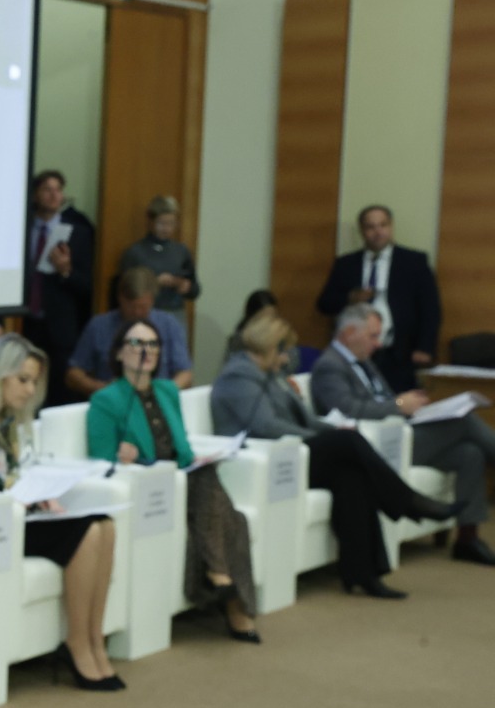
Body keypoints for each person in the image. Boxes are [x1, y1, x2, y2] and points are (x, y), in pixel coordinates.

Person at [210, 311, 460, 600]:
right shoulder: (238, 377)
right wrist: (321, 438)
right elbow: (267, 426)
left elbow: (306, 417)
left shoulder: (271, 374)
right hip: (269, 461)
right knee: (347, 444)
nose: (288, 358)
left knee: (352, 476)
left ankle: (365, 574)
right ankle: (409, 501)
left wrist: (331, 430)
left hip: (292, 453)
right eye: (284, 350)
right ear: (270, 347)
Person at [0, 334, 123, 690]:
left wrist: (42, 497)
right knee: (86, 531)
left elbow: (14, 478)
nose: (30, 390)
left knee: (104, 525)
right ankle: (77, 643)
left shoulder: (9, 422)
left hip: (17, 517)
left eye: (34, 382)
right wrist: (13, 500)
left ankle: (94, 637)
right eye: (23, 380)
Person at [86, 318, 260, 641]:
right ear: (119, 353)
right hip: (153, 488)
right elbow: (100, 458)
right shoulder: (106, 400)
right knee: (230, 516)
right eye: (137, 343)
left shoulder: (167, 391)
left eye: (153, 344)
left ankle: (220, 577)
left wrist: (198, 457)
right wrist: (122, 455)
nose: (146, 351)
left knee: (229, 511)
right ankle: (233, 604)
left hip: (186, 480)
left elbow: (183, 447)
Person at [310, 305, 495, 565]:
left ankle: (468, 539)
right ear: (350, 333)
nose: (378, 344)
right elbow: (348, 410)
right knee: (463, 421)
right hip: (375, 445)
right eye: (373, 336)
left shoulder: (364, 362)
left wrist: (411, 406)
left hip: (400, 434)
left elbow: (384, 399)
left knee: (469, 453)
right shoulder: (329, 366)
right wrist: (398, 405)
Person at [315, 204, 442, 393]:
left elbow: (430, 309)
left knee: (399, 402)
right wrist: (351, 297)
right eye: (371, 227)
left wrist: (425, 347)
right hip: (356, 352)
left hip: (399, 351)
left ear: (391, 227)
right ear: (362, 230)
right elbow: (324, 304)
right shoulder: (346, 263)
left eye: (383, 225)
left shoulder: (413, 261)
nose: (378, 232)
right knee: (360, 400)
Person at [22, 170, 95, 407]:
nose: (54, 195)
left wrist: (66, 271)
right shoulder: (21, 229)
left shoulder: (79, 233)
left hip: (61, 329)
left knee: (61, 396)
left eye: (58, 190)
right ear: (35, 195)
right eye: (47, 190)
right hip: (25, 324)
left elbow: (88, 287)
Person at [66, 266, 194, 398]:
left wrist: (163, 393)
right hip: (113, 400)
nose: (137, 312)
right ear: (120, 298)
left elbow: (185, 374)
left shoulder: (169, 325)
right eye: (131, 306)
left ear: (152, 300)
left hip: (156, 399)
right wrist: (102, 389)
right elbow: (73, 374)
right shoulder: (98, 326)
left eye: (143, 307)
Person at [119, 195, 200, 317]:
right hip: (144, 312)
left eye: (171, 223)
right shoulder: (134, 252)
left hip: (175, 312)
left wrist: (185, 286)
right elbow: (124, 290)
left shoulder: (181, 251)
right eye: (161, 223)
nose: (166, 228)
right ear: (150, 222)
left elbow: (195, 289)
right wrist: (154, 283)